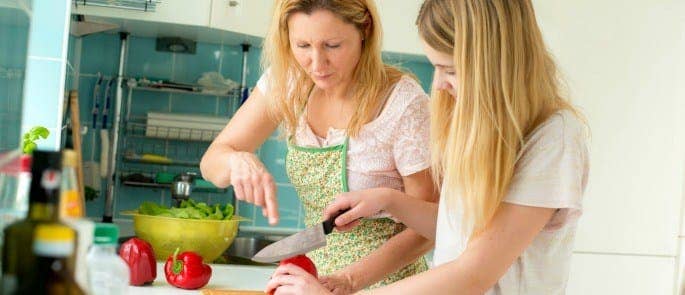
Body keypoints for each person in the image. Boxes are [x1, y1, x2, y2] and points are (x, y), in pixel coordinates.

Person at [265, 0, 590, 294]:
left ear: (495, 63)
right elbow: (457, 230)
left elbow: (473, 273)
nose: (439, 85)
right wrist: (389, 200)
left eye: (450, 70)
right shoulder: (482, 131)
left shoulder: (553, 138)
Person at [200, 0, 437, 291]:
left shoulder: (403, 102)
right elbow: (212, 162)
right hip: (314, 282)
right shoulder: (288, 82)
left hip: (391, 285)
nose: (316, 63)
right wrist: (236, 160)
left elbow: (429, 229)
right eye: (302, 45)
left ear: (364, 29)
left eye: (333, 45)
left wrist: (349, 280)